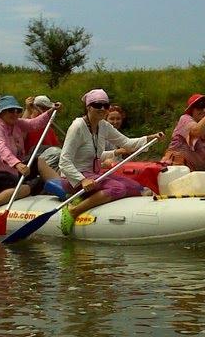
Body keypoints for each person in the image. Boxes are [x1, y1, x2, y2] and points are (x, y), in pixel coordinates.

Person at [58, 89, 164, 235]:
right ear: (88, 107)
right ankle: (73, 211)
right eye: (97, 105)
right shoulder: (77, 127)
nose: (102, 109)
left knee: (136, 187)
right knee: (118, 188)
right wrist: (82, 180)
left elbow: (127, 143)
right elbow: (64, 161)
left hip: (94, 175)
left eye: (105, 106)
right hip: (73, 178)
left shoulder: (104, 126)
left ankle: (85, 198)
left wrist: (149, 138)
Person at [0, 96, 61, 225]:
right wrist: (17, 164)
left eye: (17, 111)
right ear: (1, 112)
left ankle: (64, 191)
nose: (15, 113)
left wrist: (51, 111)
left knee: (38, 161)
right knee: (25, 187)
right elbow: (0, 148)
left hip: (10, 171)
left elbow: (34, 124)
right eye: (11, 110)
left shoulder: (16, 123)